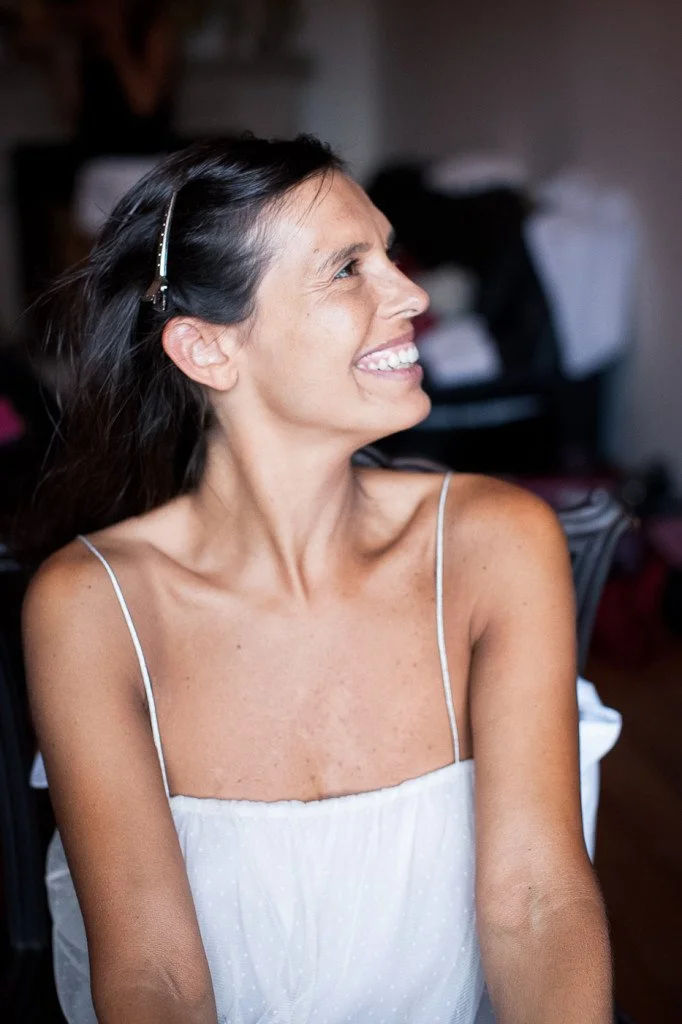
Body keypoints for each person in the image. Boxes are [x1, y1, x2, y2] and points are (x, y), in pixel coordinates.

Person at [21, 134, 614, 1023]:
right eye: (347, 269)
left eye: (389, 255)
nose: (412, 294)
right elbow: (155, 977)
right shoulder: (94, 608)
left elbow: (536, 902)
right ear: (207, 350)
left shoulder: (497, 544)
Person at [10, 0, 177, 309]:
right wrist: (55, 59)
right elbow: (71, 112)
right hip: (95, 167)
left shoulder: (148, 29)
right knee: (89, 272)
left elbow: (144, 101)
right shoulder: (84, 40)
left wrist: (115, 40)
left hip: (140, 166)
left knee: (144, 267)